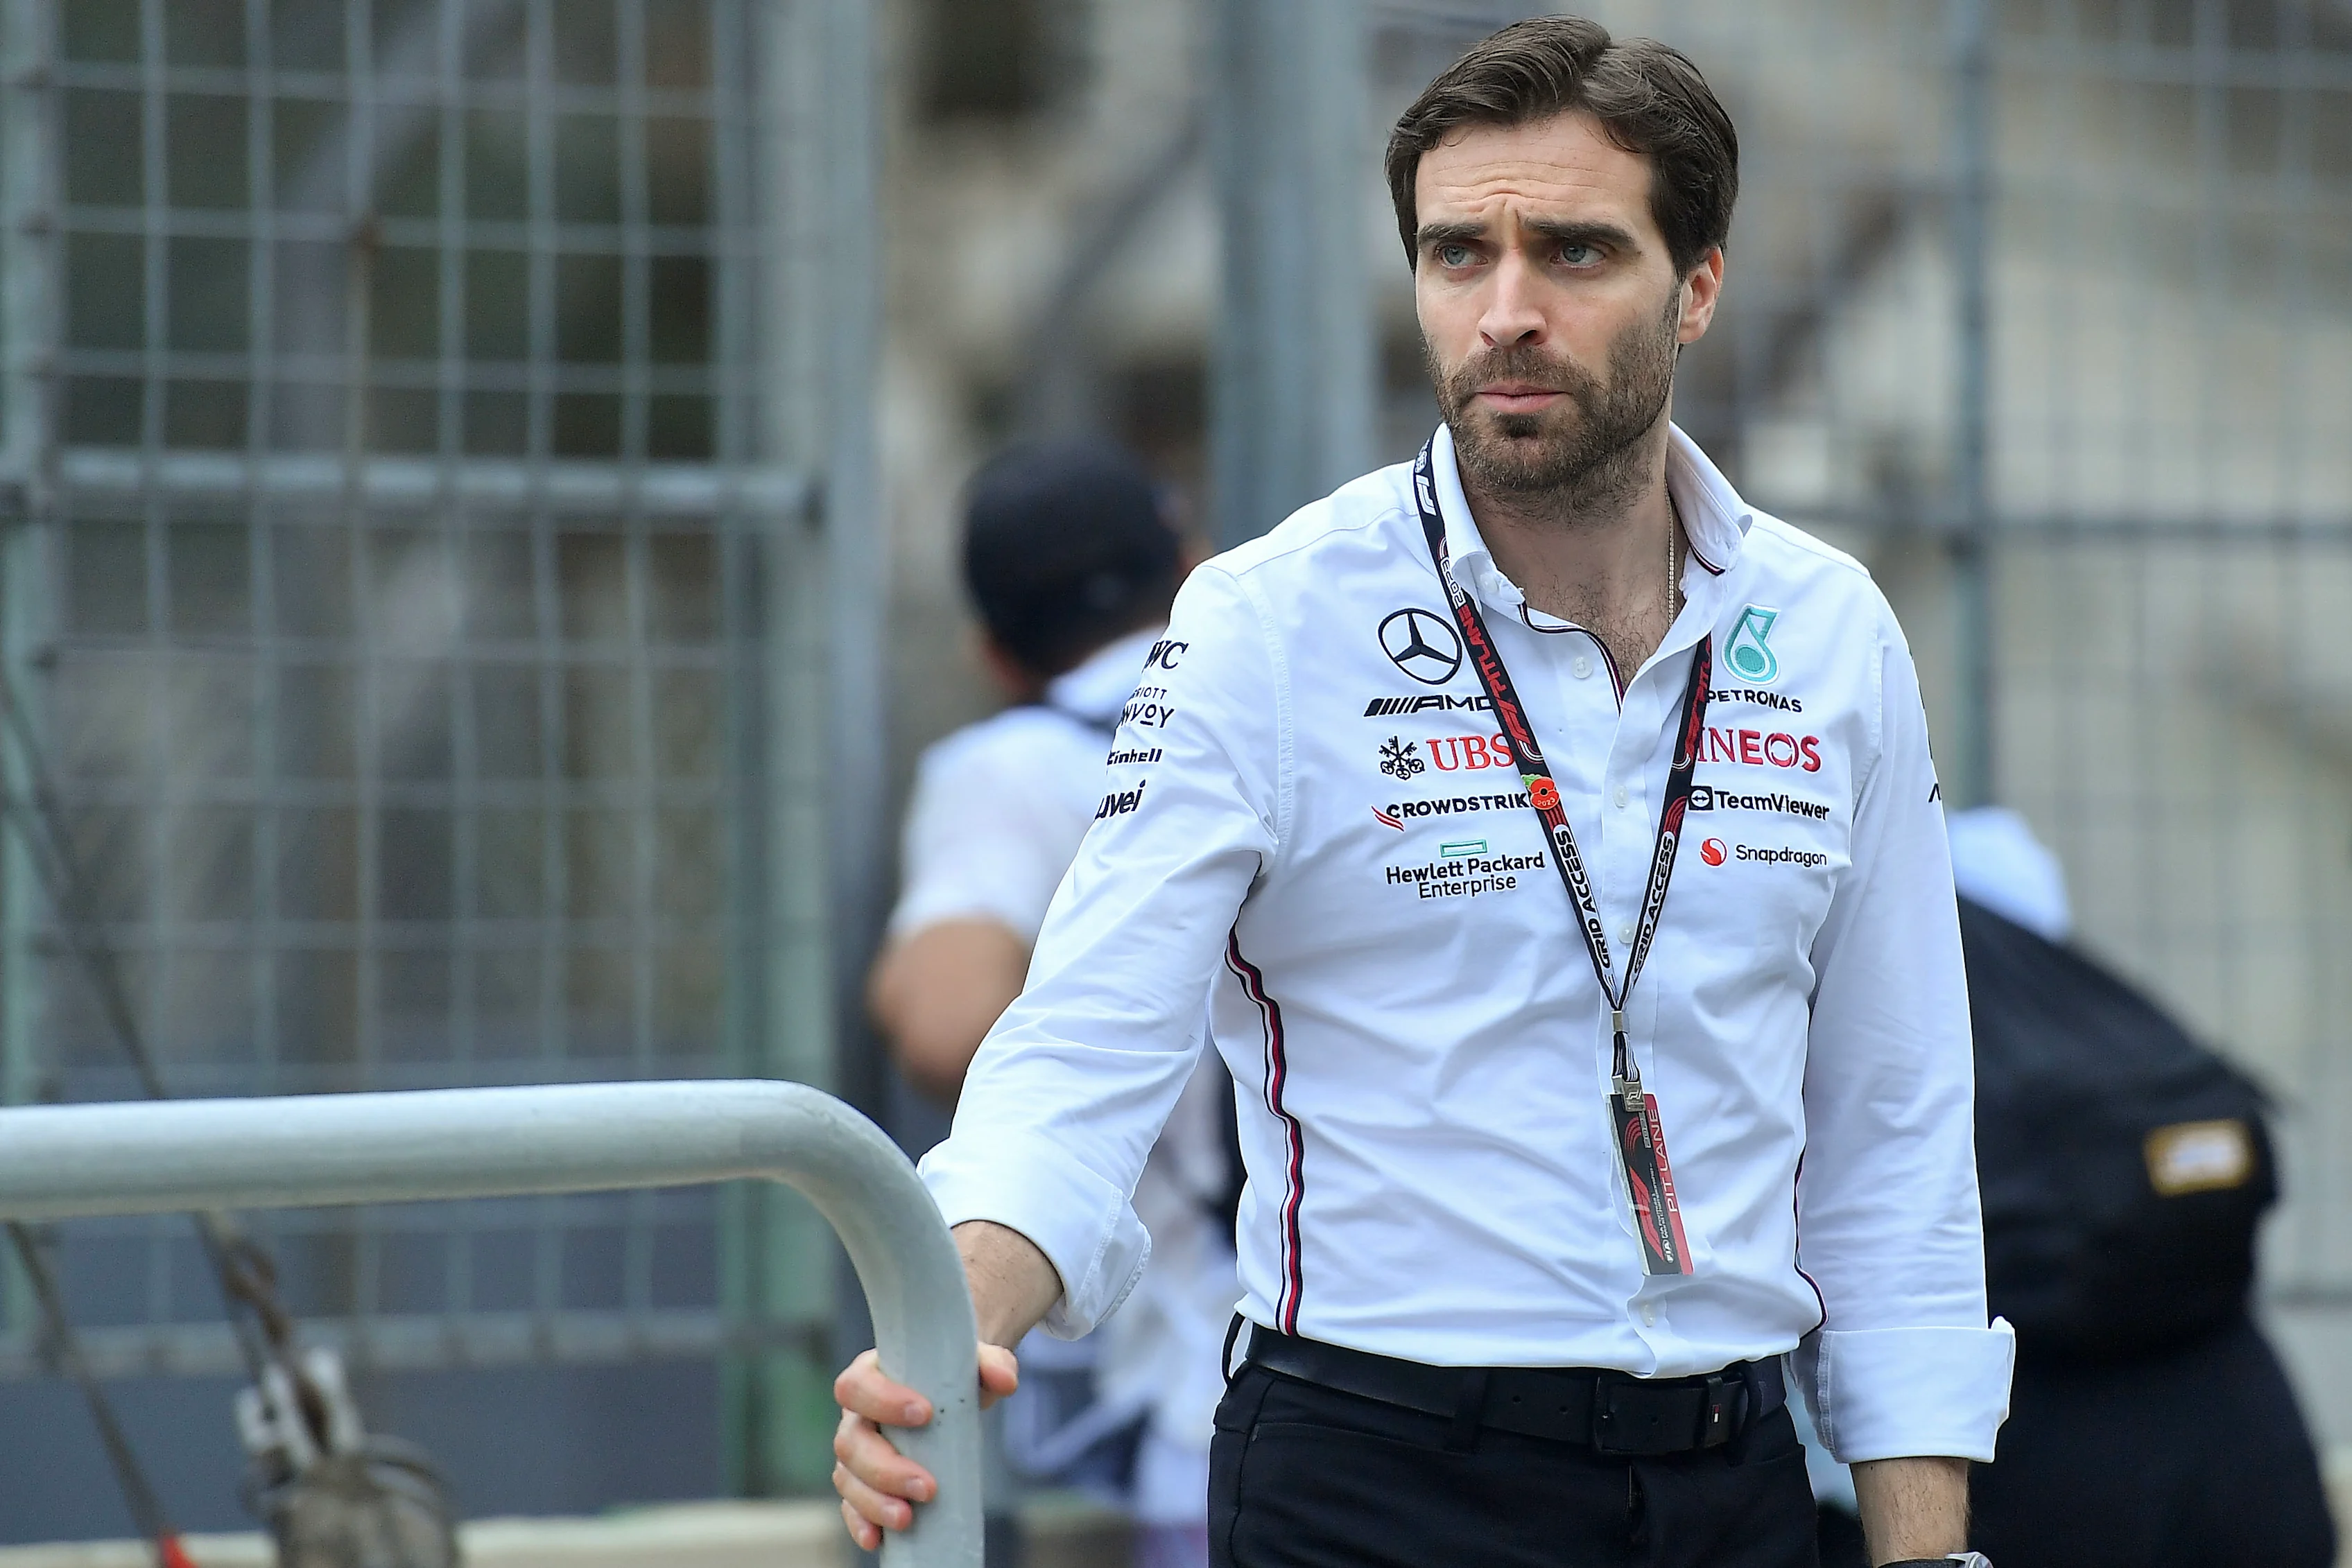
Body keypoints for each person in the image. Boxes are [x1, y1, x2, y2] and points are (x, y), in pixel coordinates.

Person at [836, 19, 2012, 1567]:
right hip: (1375, 1481)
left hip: (1729, 1482)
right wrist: (947, 1325)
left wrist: (1924, 1554)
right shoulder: (1265, 619)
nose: (1506, 312)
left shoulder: (1834, 632)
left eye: (1577, 253)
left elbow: (1895, 1141)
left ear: (1699, 286)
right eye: (1460, 254)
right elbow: (1078, 1057)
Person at [868, 440, 1236, 1568]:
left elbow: (939, 1018)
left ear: (993, 652)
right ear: (1192, 565)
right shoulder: (1316, 710)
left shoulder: (1017, 766)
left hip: (1214, 1395)